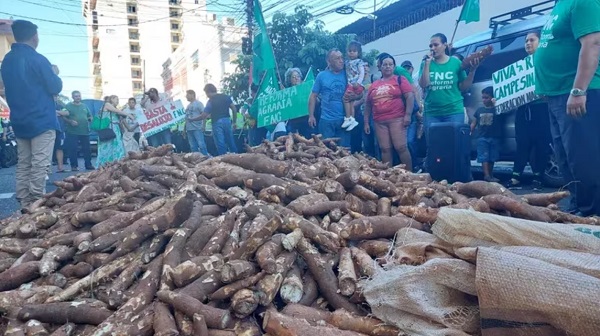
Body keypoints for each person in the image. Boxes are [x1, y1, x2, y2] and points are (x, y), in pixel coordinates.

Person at [534, 0, 600, 216]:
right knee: (566, 158)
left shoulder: (583, 2)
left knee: (583, 157)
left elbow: (593, 43)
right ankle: (579, 206)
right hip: (557, 96)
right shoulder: (560, 5)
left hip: (577, 93)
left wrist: (579, 90)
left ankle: (593, 213)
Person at [0, 20, 62, 211]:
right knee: (39, 164)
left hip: (20, 121)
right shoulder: (38, 59)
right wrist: (54, 74)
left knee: (24, 163)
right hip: (42, 119)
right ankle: (36, 203)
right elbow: (55, 87)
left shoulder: (7, 61)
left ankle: (25, 203)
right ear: (34, 37)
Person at [419, 33, 479, 165]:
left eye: (436, 45)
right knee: (434, 147)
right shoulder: (425, 64)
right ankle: (436, 175)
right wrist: (427, 65)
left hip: (453, 111)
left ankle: (455, 177)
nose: (433, 48)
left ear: (444, 45)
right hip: (432, 113)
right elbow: (424, 84)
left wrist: (472, 71)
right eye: (430, 46)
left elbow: (463, 87)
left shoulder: (455, 62)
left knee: (454, 145)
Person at [508, 31, 550, 189]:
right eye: (526, 40)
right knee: (522, 144)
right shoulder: (520, 67)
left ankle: (538, 178)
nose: (528, 43)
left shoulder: (546, 61)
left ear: (540, 42)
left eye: (532, 40)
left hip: (541, 108)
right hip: (523, 110)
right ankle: (515, 177)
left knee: (541, 145)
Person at [363, 54, 414, 169]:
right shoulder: (374, 85)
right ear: (380, 67)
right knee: (385, 149)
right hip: (379, 122)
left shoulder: (400, 79)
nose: (387, 67)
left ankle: (410, 174)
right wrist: (366, 122)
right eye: (385, 64)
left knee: (401, 147)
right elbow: (368, 104)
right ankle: (389, 175)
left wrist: (408, 115)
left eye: (390, 64)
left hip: (397, 119)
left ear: (394, 67)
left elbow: (409, 97)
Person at [309, 49, 350, 148]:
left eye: (341, 58)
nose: (341, 61)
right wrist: (311, 115)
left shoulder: (348, 75)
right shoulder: (322, 76)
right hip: (326, 121)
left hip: (344, 120)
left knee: (345, 151)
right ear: (329, 61)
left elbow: (357, 93)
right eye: (337, 58)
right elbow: (313, 95)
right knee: (326, 151)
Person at [471, 87, 502, 182]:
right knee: (484, 157)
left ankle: (491, 175)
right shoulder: (479, 110)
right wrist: (470, 130)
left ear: (492, 98)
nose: (484, 100)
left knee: (492, 158)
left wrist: (496, 104)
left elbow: (502, 115)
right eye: (483, 98)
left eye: (487, 98)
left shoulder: (497, 109)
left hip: (494, 137)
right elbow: (474, 122)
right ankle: (486, 175)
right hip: (482, 137)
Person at [95, 95, 133, 168]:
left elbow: (119, 116)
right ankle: (104, 164)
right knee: (107, 147)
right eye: (116, 99)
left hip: (116, 129)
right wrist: (128, 114)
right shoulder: (107, 105)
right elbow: (116, 111)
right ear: (111, 99)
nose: (118, 101)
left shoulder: (114, 108)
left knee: (117, 147)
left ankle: (116, 163)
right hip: (109, 129)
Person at [401, 59, 424, 170]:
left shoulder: (415, 82)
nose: (406, 70)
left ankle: (415, 165)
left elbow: (419, 100)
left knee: (411, 142)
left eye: (408, 68)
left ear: (412, 69)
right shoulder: (399, 82)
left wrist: (419, 113)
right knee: (404, 144)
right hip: (403, 117)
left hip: (415, 116)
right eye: (404, 68)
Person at [202, 84, 238, 155]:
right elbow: (234, 108)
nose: (207, 95)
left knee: (220, 143)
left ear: (208, 92)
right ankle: (237, 157)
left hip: (216, 122)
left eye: (206, 93)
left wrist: (193, 119)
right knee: (230, 140)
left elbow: (204, 114)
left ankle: (223, 159)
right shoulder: (225, 97)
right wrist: (234, 122)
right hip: (227, 120)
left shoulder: (210, 101)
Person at [62, 90, 93, 171]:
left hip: (85, 131)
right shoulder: (68, 105)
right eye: (76, 96)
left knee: (87, 149)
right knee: (73, 149)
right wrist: (70, 121)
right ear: (72, 97)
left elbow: (90, 116)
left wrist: (90, 119)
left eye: (79, 96)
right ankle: (74, 166)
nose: (78, 97)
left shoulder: (84, 106)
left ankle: (88, 165)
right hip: (72, 132)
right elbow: (63, 116)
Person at [341, 41, 364, 131]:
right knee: (351, 101)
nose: (351, 52)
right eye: (350, 51)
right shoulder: (347, 62)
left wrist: (358, 83)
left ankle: (347, 118)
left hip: (355, 84)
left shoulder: (359, 62)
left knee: (345, 99)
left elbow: (362, 73)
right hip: (351, 84)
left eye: (354, 51)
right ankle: (352, 119)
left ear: (358, 53)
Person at [183, 90, 209, 155]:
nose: (186, 97)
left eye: (187, 95)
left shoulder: (199, 104)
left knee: (201, 145)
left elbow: (204, 115)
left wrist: (204, 126)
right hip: (189, 129)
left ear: (192, 95)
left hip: (197, 128)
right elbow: (186, 118)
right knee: (192, 146)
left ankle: (205, 158)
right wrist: (184, 129)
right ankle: (196, 159)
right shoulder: (188, 106)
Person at [54, 98, 69, 172]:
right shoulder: (45, 104)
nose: (55, 97)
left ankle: (60, 167)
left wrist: (56, 112)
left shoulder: (60, 105)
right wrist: (60, 113)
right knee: (47, 150)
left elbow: (66, 113)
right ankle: (46, 170)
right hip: (49, 130)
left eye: (56, 96)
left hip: (60, 130)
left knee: (60, 148)